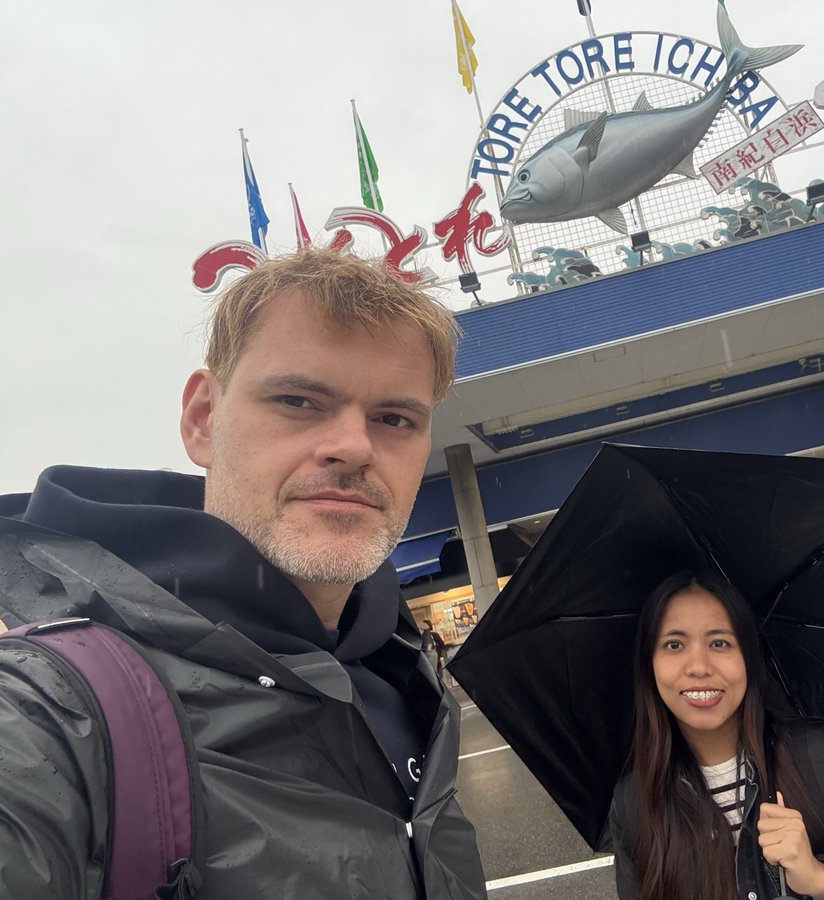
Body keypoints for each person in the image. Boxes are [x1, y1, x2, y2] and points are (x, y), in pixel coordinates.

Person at [0, 249, 487, 899]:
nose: (354, 446)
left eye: (394, 418)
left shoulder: (403, 672)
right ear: (203, 419)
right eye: (298, 400)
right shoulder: (47, 708)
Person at [608, 571, 824, 900]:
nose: (698, 666)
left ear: (748, 657)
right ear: (649, 665)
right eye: (674, 644)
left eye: (719, 642)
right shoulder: (634, 805)